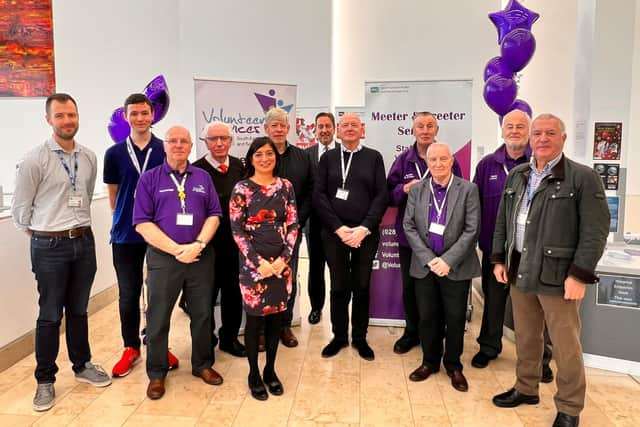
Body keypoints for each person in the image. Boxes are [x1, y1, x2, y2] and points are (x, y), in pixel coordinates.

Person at [491, 114, 610, 427]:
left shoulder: (582, 177)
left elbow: (595, 230)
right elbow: (504, 220)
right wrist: (499, 259)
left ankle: (569, 407)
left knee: (565, 344)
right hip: (520, 270)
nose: (542, 138)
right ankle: (526, 388)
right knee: (527, 338)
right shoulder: (517, 175)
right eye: (537, 133)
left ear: (563, 138)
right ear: (530, 139)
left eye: (550, 133)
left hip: (559, 277)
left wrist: (580, 274)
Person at [12, 93, 111, 412]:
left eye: (72, 114)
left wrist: (71, 230)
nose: (67, 121)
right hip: (49, 246)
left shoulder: (89, 157)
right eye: (60, 116)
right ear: (49, 120)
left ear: (78, 116)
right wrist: (45, 232)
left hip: (83, 242)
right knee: (50, 314)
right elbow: (20, 211)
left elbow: (84, 191)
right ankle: (45, 380)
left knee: (80, 310)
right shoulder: (34, 159)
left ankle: (82, 366)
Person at [134, 126, 223, 400]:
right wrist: (176, 250)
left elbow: (214, 215)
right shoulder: (149, 179)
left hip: (200, 256)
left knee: (202, 314)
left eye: (184, 141)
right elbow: (142, 223)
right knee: (158, 317)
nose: (179, 145)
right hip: (164, 258)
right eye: (173, 141)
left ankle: (203, 365)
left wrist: (197, 245)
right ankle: (157, 373)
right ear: (165, 145)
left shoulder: (203, 177)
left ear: (190, 146)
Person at [471, 109, 553, 383]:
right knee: (493, 301)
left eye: (521, 126)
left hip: (532, 252)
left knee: (536, 307)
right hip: (495, 251)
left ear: (528, 131)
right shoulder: (486, 166)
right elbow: (475, 207)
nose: (515, 130)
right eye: (510, 126)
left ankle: (540, 359)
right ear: (502, 130)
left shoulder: (542, 164)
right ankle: (489, 347)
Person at [103, 93, 180, 377]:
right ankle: (130, 347)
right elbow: (114, 197)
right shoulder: (113, 154)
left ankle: (157, 344)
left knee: (159, 294)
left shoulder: (164, 149)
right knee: (128, 293)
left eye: (144, 113)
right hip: (125, 234)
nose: (139, 118)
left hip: (161, 233)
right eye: (133, 113)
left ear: (153, 115)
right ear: (126, 116)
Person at [402, 142, 480, 392]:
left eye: (442, 159)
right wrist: (429, 258)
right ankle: (429, 362)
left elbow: (472, 230)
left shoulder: (468, 189)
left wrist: (447, 261)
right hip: (425, 266)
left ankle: (454, 365)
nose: (437, 164)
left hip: (455, 267)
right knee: (427, 317)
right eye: (432, 159)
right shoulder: (416, 190)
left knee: (455, 318)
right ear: (427, 162)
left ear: (451, 160)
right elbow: (409, 226)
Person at [386, 111, 463, 354]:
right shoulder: (403, 160)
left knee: (439, 291)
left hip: (443, 242)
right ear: (413, 130)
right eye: (421, 126)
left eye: (430, 126)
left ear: (436, 130)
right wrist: (404, 188)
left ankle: (435, 335)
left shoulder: (450, 160)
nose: (425, 130)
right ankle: (412, 333)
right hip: (411, 240)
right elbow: (388, 194)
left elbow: (459, 194)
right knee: (410, 288)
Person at [229, 137, 299, 401]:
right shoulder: (242, 189)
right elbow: (237, 229)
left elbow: (293, 224)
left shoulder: (286, 187)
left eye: (269, 153)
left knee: (276, 321)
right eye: (259, 154)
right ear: (251, 158)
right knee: (255, 321)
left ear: (275, 157)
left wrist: (284, 258)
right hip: (252, 267)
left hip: (282, 266)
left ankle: (270, 370)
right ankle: (253, 374)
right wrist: (259, 263)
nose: (265, 158)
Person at [314, 113, 388, 361]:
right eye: (344, 125)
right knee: (338, 286)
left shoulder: (374, 157)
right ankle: (338, 336)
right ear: (338, 131)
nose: (349, 129)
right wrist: (338, 228)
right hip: (334, 234)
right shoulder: (328, 158)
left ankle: (359, 337)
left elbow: (381, 196)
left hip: (364, 235)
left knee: (362, 286)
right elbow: (319, 195)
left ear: (361, 129)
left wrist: (364, 228)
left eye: (353, 125)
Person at [192, 122, 246, 357]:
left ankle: (229, 338)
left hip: (234, 245)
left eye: (224, 138)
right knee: (206, 295)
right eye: (213, 139)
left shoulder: (239, 167)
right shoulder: (196, 170)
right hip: (207, 245)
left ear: (231, 141)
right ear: (205, 142)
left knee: (233, 293)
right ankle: (207, 340)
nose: (219, 143)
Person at [263, 107, 313, 347]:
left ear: (288, 128)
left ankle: (284, 326)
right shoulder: (259, 155)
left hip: (293, 231)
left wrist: (296, 222)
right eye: (274, 125)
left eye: (283, 125)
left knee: (287, 277)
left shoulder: (302, 157)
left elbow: (310, 192)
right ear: (266, 129)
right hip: (261, 234)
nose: (279, 129)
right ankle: (262, 329)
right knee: (262, 278)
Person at [305, 112, 339, 325]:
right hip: (314, 221)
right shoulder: (306, 155)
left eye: (328, 126)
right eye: (320, 126)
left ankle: (339, 310)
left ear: (334, 128)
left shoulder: (344, 153)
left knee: (338, 267)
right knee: (315, 267)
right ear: (315, 130)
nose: (324, 130)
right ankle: (316, 307)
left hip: (338, 220)